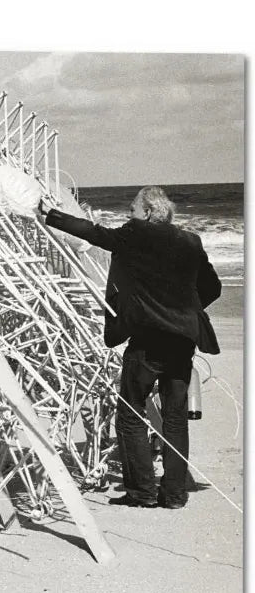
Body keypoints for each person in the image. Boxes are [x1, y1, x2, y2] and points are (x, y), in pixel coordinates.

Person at [38, 186, 220, 509]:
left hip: (149, 340)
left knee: (130, 414)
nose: (129, 213)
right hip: (182, 340)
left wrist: (51, 215)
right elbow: (212, 287)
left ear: (147, 212)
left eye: (133, 208)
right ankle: (174, 495)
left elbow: (94, 233)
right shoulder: (191, 241)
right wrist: (184, 311)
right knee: (175, 418)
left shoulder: (135, 234)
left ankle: (142, 492)